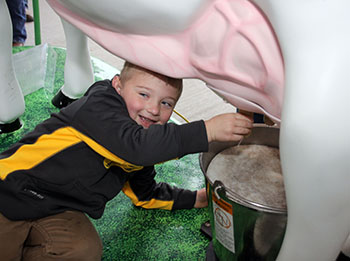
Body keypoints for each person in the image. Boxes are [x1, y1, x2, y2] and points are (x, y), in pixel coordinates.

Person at [0, 62, 253, 260]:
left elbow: (145, 193)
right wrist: (205, 131)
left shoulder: (139, 147)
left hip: (56, 206)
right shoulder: (99, 107)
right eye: (143, 94)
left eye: (166, 103)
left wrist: (196, 198)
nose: (154, 109)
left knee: (84, 250)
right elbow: (137, 148)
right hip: (10, 190)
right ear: (118, 85)